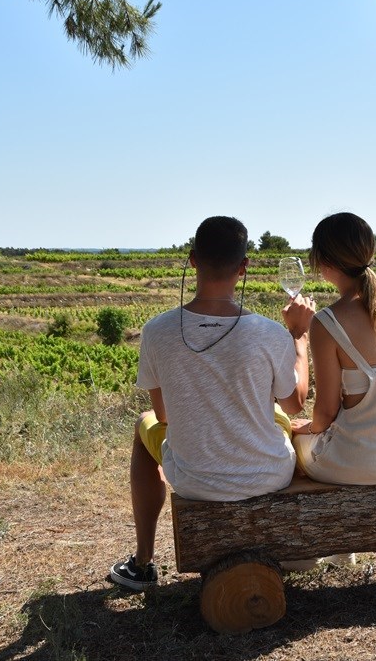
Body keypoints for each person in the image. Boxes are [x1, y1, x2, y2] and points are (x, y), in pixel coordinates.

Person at [109, 216, 316, 591]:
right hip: (270, 473)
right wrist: (299, 339)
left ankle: (142, 563)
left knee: (144, 428)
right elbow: (296, 402)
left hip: (195, 480)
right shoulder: (269, 334)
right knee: (283, 417)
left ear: (192, 260)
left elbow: (164, 416)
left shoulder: (157, 331)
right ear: (244, 267)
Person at [291, 212, 376, 485]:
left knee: (291, 439)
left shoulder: (327, 323)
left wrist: (309, 430)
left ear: (324, 262)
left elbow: (326, 412)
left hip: (360, 465)